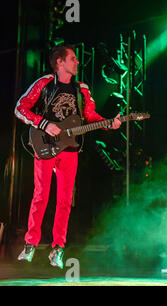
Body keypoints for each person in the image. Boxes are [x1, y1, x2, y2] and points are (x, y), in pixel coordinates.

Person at [14, 44, 122, 269]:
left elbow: (90, 115)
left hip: (71, 148)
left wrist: (108, 124)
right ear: (60, 62)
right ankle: (30, 245)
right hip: (45, 144)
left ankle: (58, 249)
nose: (77, 62)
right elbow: (20, 108)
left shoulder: (82, 89)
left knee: (65, 200)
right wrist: (44, 123)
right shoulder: (44, 83)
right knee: (41, 195)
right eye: (72, 58)